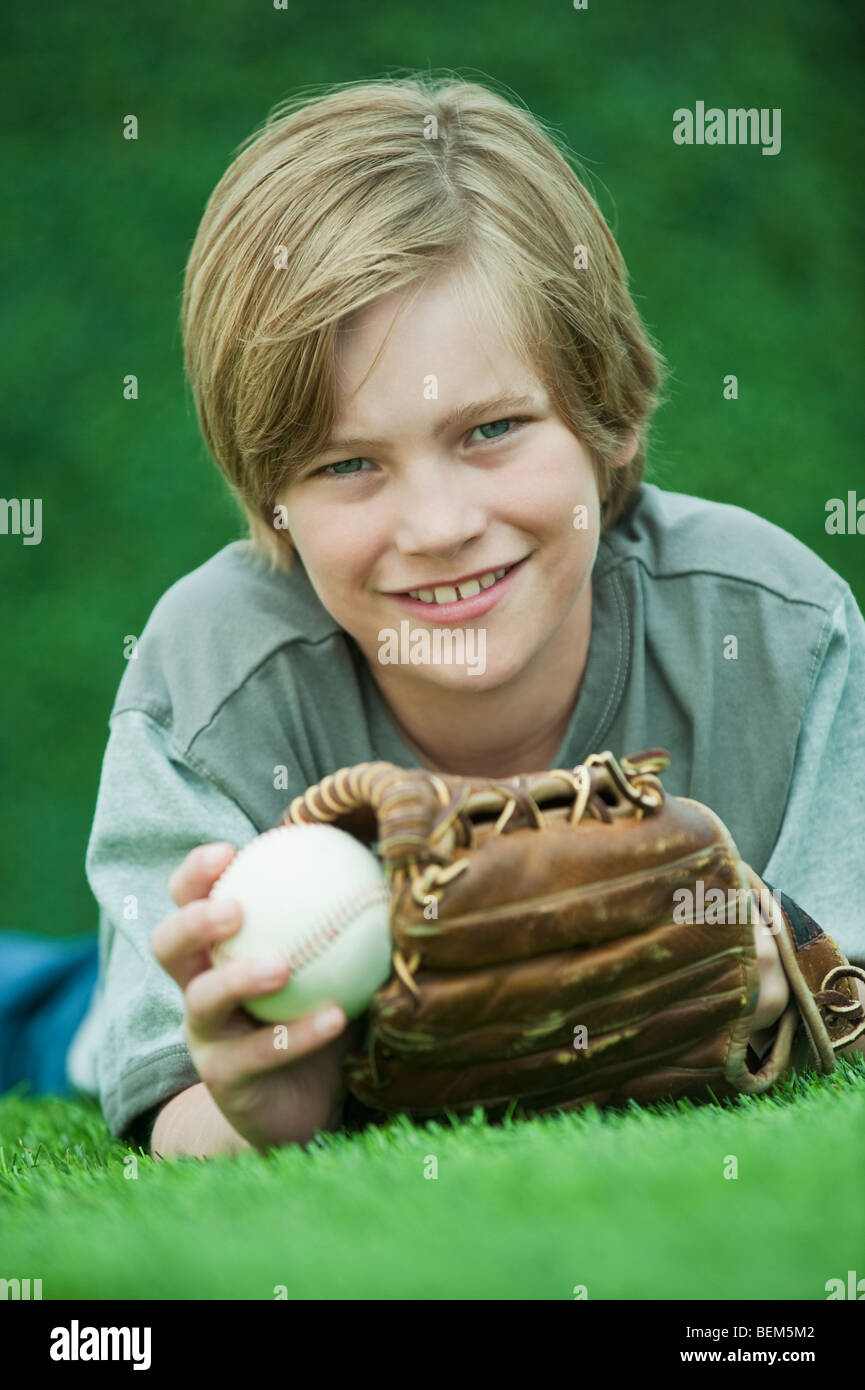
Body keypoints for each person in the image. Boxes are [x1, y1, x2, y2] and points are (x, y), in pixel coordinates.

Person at [5, 73, 863, 1158]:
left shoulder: (775, 631)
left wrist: (756, 961)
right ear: (274, 497)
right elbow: (171, 1102)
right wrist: (256, 1105)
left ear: (602, 419)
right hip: (70, 1014)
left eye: (493, 428)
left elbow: (850, 997)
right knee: (47, 1012)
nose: (440, 522)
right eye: (348, 462)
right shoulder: (212, 671)